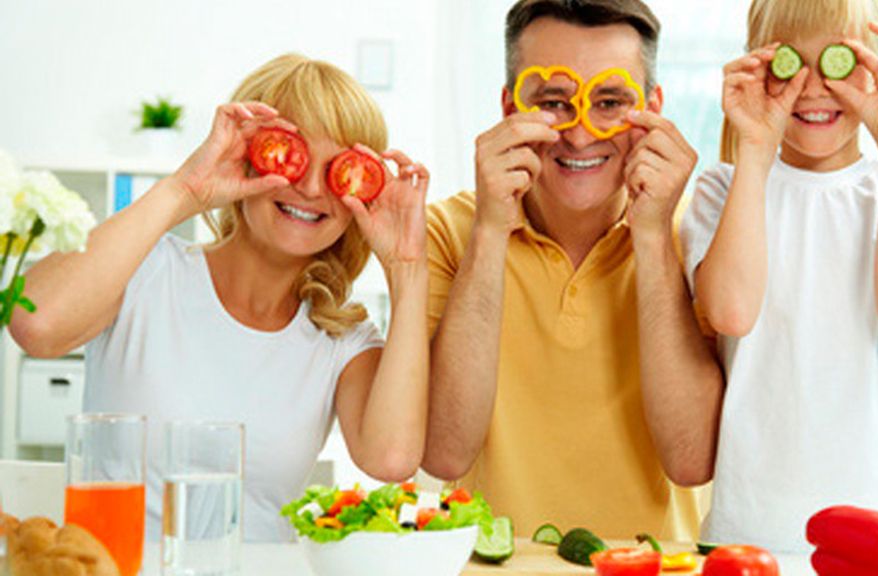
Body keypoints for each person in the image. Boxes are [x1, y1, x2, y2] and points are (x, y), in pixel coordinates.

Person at [11, 54, 431, 542]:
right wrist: (184, 189)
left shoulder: (342, 340)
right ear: (246, 155)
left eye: (339, 170)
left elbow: (391, 458)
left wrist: (408, 267)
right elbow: (34, 324)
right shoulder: (147, 270)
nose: (312, 187)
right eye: (288, 155)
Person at [681, 0, 878, 553]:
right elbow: (730, 311)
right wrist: (754, 144)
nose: (815, 87)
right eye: (790, 65)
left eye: (838, 62)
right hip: (757, 526)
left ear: (874, 66)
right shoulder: (724, 191)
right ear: (758, 66)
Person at [422, 0, 723, 540]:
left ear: (653, 108)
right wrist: (491, 230)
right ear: (509, 106)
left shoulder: (699, 239)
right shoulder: (448, 232)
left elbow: (690, 458)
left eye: (609, 102)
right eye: (553, 102)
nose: (580, 134)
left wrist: (652, 237)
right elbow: (444, 453)